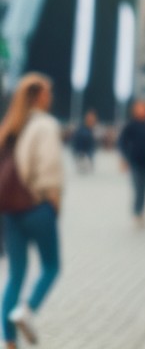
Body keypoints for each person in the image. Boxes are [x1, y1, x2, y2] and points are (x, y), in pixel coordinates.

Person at [0, 73, 63, 347]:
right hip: (36, 206)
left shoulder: (10, 126)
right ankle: (27, 312)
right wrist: (53, 199)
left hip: (9, 210)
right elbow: (48, 165)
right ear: (38, 97)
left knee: (16, 275)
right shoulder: (45, 125)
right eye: (47, 92)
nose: (51, 97)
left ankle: (9, 341)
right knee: (51, 266)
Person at [116, 100, 145, 228]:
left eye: (143, 108)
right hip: (135, 161)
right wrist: (124, 158)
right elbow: (122, 142)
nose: (141, 110)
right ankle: (136, 212)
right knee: (137, 187)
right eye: (139, 108)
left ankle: (142, 211)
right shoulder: (131, 125)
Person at [68, 109, 98, 174]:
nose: (93, 121)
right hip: (83, 160)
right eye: (91, 119)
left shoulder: (89, 131)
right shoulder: (83, 132)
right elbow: (77, 147)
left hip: (85, 159)